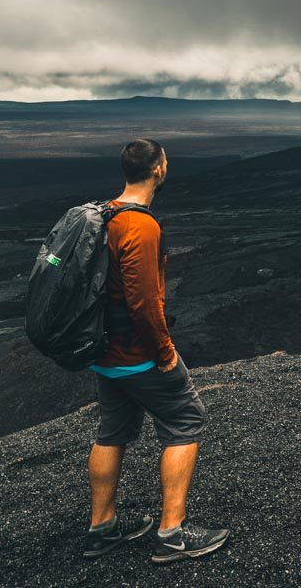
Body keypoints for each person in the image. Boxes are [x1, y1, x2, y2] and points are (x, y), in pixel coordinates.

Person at [79, 138, 230, 564]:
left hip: (103, 352)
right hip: (137, 354)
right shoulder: (140, 226)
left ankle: (102, 529)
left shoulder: (103, 215)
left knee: (113, 431)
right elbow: (143, 302)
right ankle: (173, 535)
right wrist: (164, 353)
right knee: (186, 420)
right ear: (159, 169)